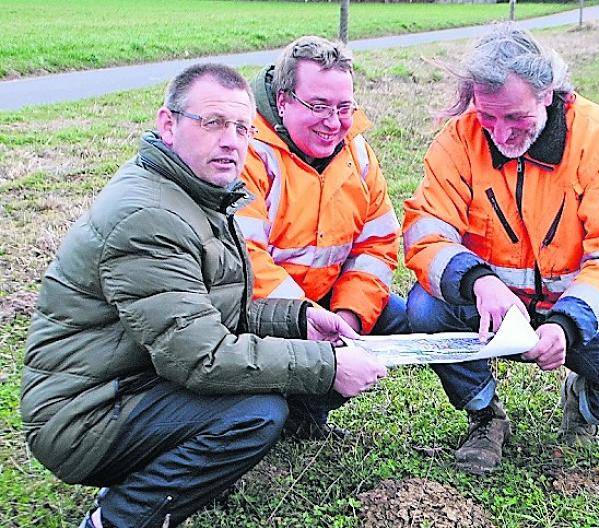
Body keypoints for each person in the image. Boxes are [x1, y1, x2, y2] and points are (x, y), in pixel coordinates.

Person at [19, 63, 388, 528]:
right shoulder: (150, 217)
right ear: (168, 124)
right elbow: (201, 357)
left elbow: (214, 307)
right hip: (82, 415)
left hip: (130, 376)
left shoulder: (196, 191)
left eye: (241, 127)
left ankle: (151, 466)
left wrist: (299, 321)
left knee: (259, 389)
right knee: (255, 413)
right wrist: (327, 368)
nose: (232, 140)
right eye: (212, 122)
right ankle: (116, 520)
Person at [403, 23, 599, 475]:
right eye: (487, 117)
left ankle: (583, 400)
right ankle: (485, 417)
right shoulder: (459, 139)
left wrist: (567, 326)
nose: (500, 133)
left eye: (515, 118)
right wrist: (480, 283)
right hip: (495, 311)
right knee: (424, 308)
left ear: (548, 92)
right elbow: (425, 233)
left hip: (584, 315)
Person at [235, 36, 408, 439]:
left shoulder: (359, 153)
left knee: (395, 316)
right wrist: (307, 319)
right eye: (318, 106)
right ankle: (266, 409)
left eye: (344, 108)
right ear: (282, 101)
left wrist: (346, 318)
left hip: (325, 305)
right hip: (257, 313)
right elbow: (245, 260)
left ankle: (306, 412)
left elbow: (378, 245)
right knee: (262, 408)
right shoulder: (246, 152)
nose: (333, 122)